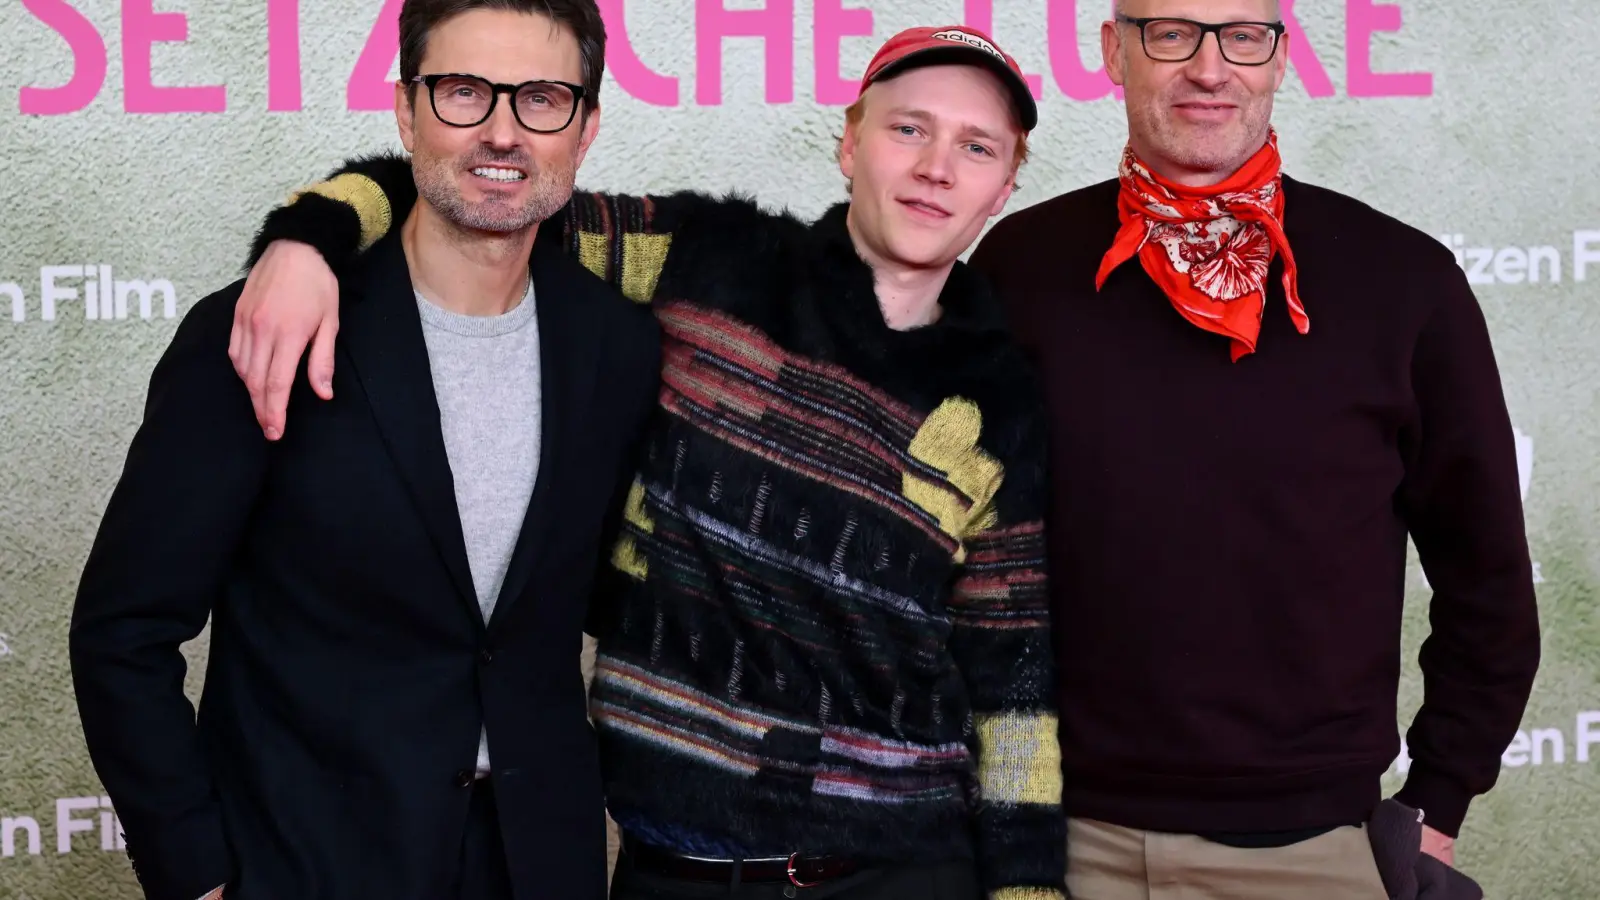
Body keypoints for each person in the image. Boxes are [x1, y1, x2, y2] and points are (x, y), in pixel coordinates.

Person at [217, 22, 1067, 900]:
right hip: (676, 870)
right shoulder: (709, 258)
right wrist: (305, 240)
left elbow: (1014, 678)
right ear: (850, 142)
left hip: (902, 874)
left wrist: (1029, 890)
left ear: (1003, 186)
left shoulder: (998, 400)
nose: (937, 167)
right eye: (908, 128)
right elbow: (484, 191)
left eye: (976, 146)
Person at [67, 2, 659, 899]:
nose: (502, 131)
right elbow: (123, 633)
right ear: (405, 109)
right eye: (464, 92)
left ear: (586, 128)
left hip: (539, 865)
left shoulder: (617, 345)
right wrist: (196, 872)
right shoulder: (269, 329)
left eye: (541, 98)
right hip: (306, 864)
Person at [964, 1, 1540, 897]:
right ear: (1113, 52)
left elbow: (1490, 582)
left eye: (1242, 34)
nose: (1209, 67)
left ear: (1278, 56)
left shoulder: (1405, 282)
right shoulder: (1020, 269)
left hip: (1313, 851)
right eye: (1172, 32)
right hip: (1059, 846)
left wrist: (1438, 802)